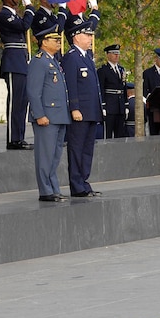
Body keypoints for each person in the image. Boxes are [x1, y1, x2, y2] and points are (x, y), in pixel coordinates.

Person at [26, 19, 69, 201]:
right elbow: (33, 92)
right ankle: (45, 191)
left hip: (58, 116)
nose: (58, 42)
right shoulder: (39, 62)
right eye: (55, 39)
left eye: (59, 39)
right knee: (45, 156)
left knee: (54, 156)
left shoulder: (53, 61)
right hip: (47, 117)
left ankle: (53, 188)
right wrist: (39, 114)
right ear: (44, 42)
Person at [62, 11, 103, 197]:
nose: (90, 38)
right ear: (76, 36)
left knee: (87, 150)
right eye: (87, 35)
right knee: (77, 149)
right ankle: (76, 185)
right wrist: (74, 107)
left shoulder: (86, 56)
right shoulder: (71, 57)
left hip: (91, 110)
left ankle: (84, 183)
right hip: (80, 112)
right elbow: (71, 84)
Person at [0, 0, 35, 150]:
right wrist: (30, 9)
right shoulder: (5, 14)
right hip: (12, 62)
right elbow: (23, 26)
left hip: (20, 61)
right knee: (15, 102)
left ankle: (19, 137)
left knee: (22, 103)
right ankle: (13, 139)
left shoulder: (14, 14)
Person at [98, 45, 128, 139]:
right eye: (114, 53)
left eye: (118, 54)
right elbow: (101, 89)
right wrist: (103, 106)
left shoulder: (121, 69)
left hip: (120, 106)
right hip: (110, 105)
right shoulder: (103, 70)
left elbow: (124, 88)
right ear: (108, 55)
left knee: (120, 133)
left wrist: (126, 104)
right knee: (108, 133)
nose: (116, 56)